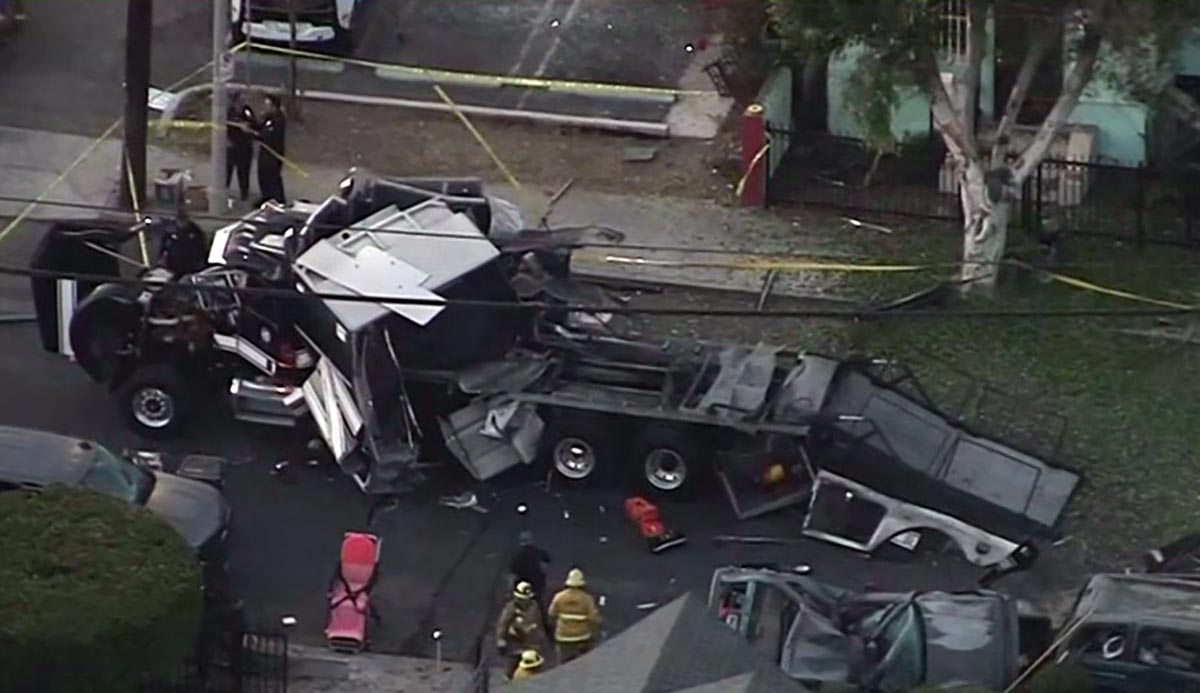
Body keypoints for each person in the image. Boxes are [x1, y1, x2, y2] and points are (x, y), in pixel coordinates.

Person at [548, 567, 602, 664]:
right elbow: (593, 618)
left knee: (562, 664)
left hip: (563, 637)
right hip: (582, 637)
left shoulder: (559, 597)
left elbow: (551, 615)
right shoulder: (586, 599)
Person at [496, 581, 546, 677]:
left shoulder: (534, 607)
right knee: (510, 669)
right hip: (514, 646)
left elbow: (538, 623)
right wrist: (501, 639)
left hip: (530, 645)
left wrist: (538, 638)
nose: (524, 602)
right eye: (522, 599)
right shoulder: (510, 608)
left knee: (531, 670)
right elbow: (503, 624)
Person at [225, 93, 257, 202]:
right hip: (231, 147)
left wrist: (249, 128)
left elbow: (254, 124)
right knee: (227, 171)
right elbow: (222, 125)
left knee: (244, 172)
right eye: (240, 101)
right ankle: (224, 192)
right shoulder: (229, 112)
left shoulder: (247, 111)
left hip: (245, 147)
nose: (242, 103)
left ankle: (244, 194)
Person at [256, 94, 287, 205]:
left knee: (272, 176)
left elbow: (269, 135)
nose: (265, 108)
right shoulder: (268, 117)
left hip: (273, 152)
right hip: (265, 151)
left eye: (267, 105)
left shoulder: (278, 119)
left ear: (274, 106)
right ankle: (266, 197)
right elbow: (260, 126)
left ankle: (278, 199)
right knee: (263, 175)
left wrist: (255, 134)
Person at [509, 530, 551, 606]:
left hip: (522, 584)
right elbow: (547, 560)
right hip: (536, 582)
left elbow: (513, 570)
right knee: (539, 603)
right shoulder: (537, 551)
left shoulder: (517, 556)